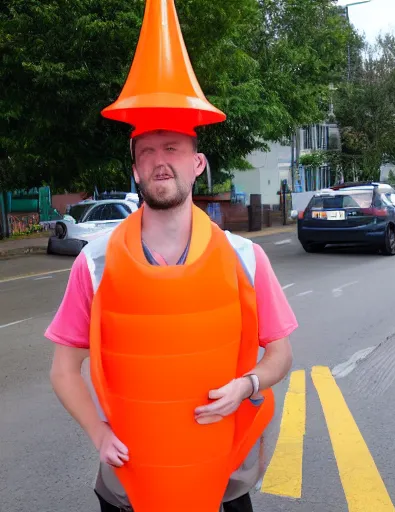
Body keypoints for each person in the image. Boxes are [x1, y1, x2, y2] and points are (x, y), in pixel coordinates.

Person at [46, 128, 298, 511]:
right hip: (131, 479)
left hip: (221, 476)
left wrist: (247, 386)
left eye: (172, 149)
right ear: (135, 170)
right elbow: (63, 370)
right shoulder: (96, 263)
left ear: (197, 163)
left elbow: (280, 354)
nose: (160, 162)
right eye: (147, 152)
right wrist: (99, 434)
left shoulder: (244, 258)